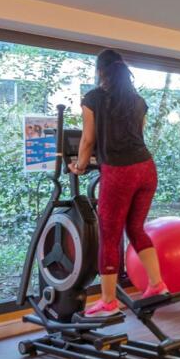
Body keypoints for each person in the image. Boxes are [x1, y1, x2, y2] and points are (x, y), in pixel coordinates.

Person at [71, 49, 165, 313]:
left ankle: (109, 300)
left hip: (119, 172)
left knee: (110, 236)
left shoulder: (93, 98)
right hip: (146, 168)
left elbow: (88, 139)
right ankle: (157, 283)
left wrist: (79, 167)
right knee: (135, 228)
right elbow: (136, 135)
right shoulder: (138, 101)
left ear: (100, 71)